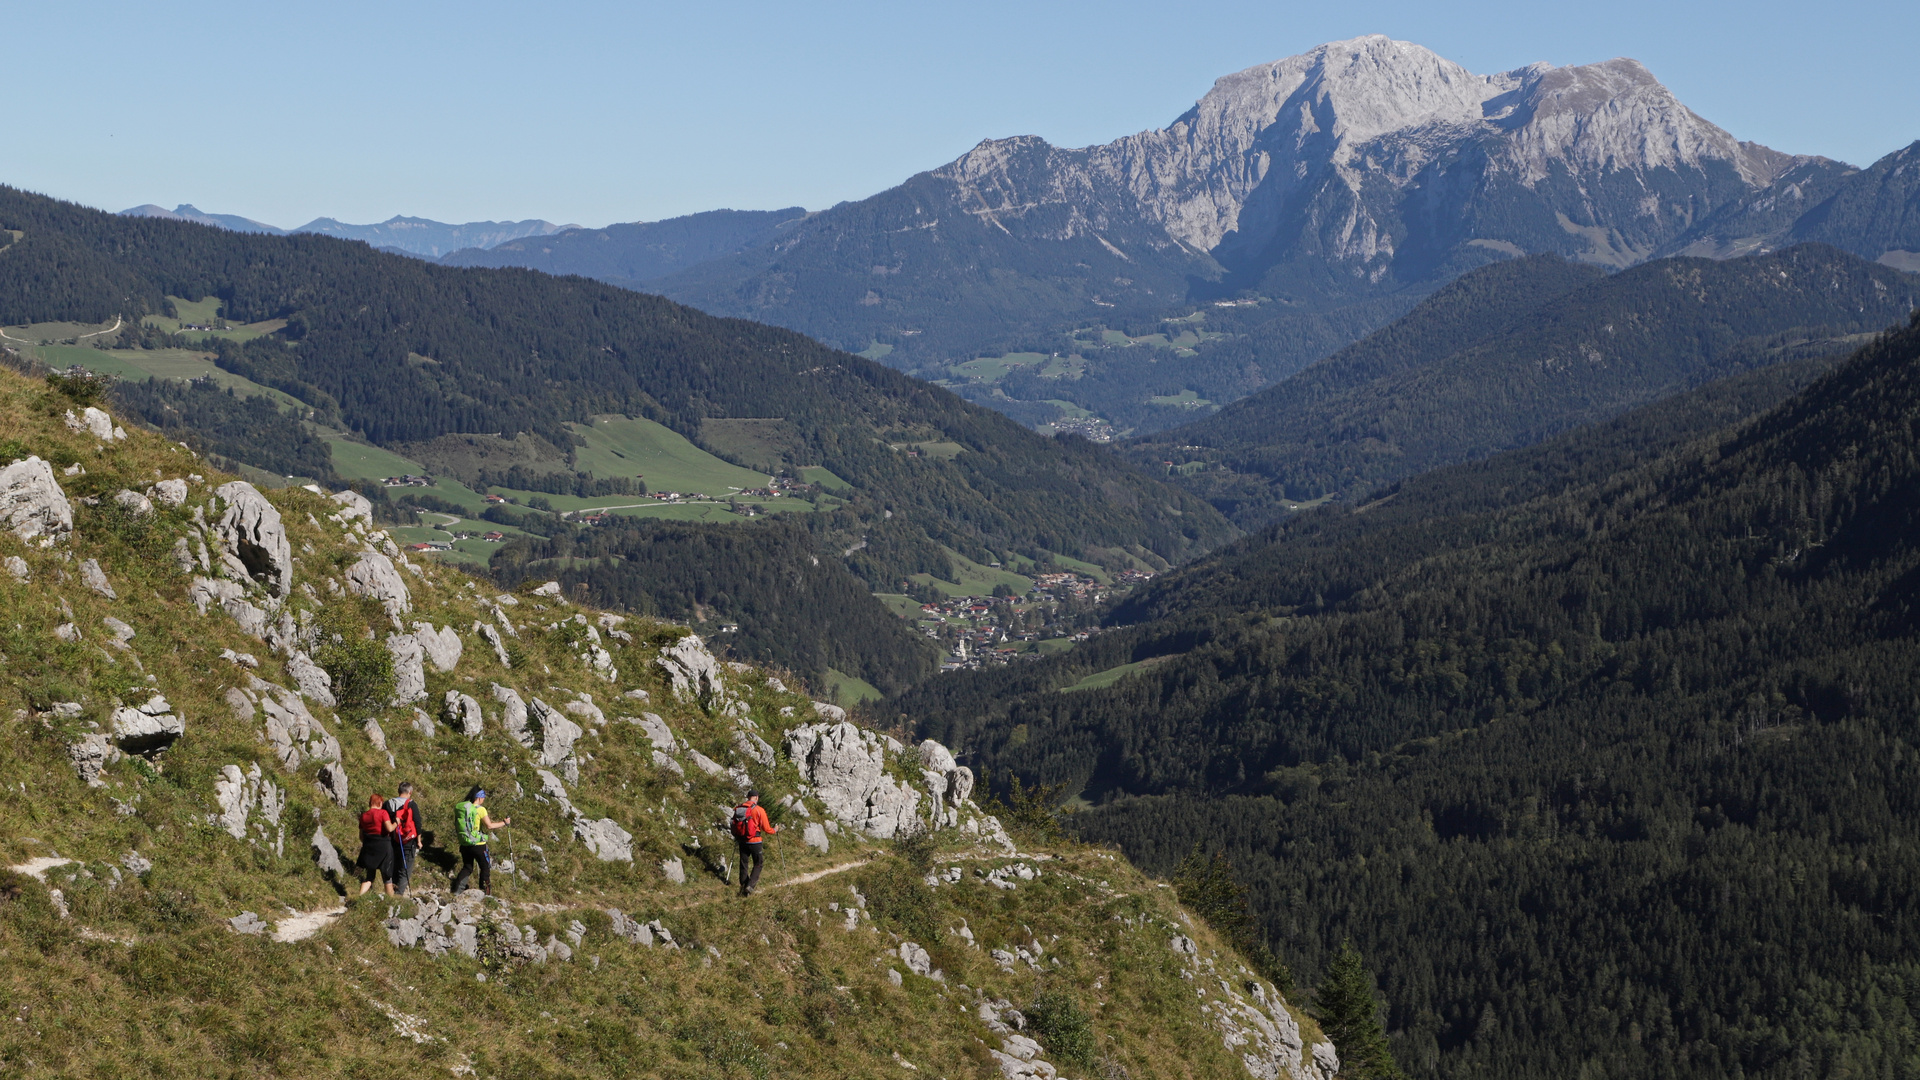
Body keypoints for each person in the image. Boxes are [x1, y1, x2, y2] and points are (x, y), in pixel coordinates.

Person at [452, 786, 511, 895]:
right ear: (479, 797)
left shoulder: (464, 808)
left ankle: (457, 890)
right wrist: (504, 823)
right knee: (485, 867)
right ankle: (484, 892)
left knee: (467, 867)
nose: (484, 800)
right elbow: (489, 826)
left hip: (465, 844)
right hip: (479, 845)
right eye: (483, 797)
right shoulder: (480, 809)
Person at [730, 788, 778, 897]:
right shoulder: (759, 809)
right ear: (756, 797)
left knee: (743, 863)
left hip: (742, 840)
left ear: (748, 797)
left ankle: (743, 885)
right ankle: (750, 886)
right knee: (758, 863)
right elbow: (766, 828)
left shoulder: (739, 808)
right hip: (755, 841)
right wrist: (775, 830)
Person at [356, 792, 397, 897]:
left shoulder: (364, 816)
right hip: (384, 846)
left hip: (369, 846)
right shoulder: (383, 813)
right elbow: (389, 828)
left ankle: (359, 896)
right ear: (380, 803)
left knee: (369, 875)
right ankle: (391, 900)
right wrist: (397, 823)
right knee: (387, 876)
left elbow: (361, 836)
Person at [386, 782, 422, 896]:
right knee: (405, 868)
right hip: (408, 839)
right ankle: (399, 895)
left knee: (394, 866)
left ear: (399, 791)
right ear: (410, 792)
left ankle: (391, 893)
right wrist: (419, 841)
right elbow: (417, 823)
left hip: (392, 839)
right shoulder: (411, 804)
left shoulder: (388, 803)